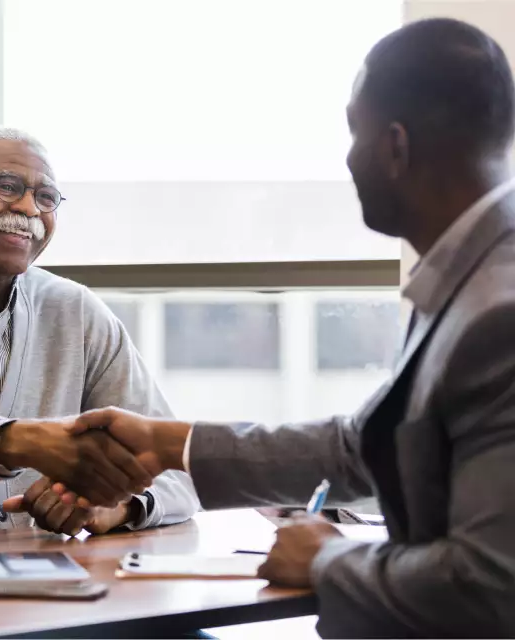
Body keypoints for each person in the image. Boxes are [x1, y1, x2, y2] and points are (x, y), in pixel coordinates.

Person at [58, 18, 515, 638]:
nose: (347, 158)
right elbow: (365, 444)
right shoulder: (468, 279)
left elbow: (492, 587)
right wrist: (169, 444)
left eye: (353, 132)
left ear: (395, 147)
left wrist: (328, 557)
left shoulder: (499, 313)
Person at [0, 125, 199, 540]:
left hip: (45, 597)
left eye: (46, 197)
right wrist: (17, 441)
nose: (29, 208)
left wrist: (115, 506)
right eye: (8, 187)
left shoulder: (76, 310)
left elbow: (175, 470)